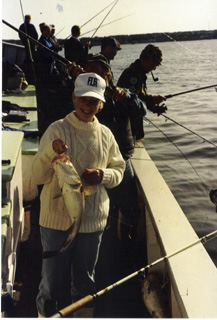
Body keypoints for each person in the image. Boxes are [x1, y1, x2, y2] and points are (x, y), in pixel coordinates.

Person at [32, 72, 125, 317]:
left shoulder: (105, 134)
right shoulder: (56, 130)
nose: (87, 105)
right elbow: (38, 177)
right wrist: (52, 155)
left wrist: (103, 176)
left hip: (92, 223)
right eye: (83, 98)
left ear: (101, 104)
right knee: (51, 284)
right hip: (55, 222)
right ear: (73, 97)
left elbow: (119, 170)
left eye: (94, 101)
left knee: (85, 283)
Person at [84, 54, 147, 240]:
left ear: (108, 74)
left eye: (97, 72)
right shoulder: (84, 97)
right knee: (100, 207)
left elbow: (142, 109)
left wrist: (127, 96)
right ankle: (104, 243)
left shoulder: (121, 94)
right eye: (89, 73)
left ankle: (127, 239)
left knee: (130, 208)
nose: (93, 77)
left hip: (121, 160)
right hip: (96, 160)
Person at [117, 44, 167, 139]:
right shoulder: (133, 74)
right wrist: (152, 99)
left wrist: (155, 108)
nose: (154, 68)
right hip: (126, 126)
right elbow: (132, 100)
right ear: (145, 59)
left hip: (133, 125)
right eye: (154, 64)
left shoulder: (139, 73)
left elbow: (139, 98)